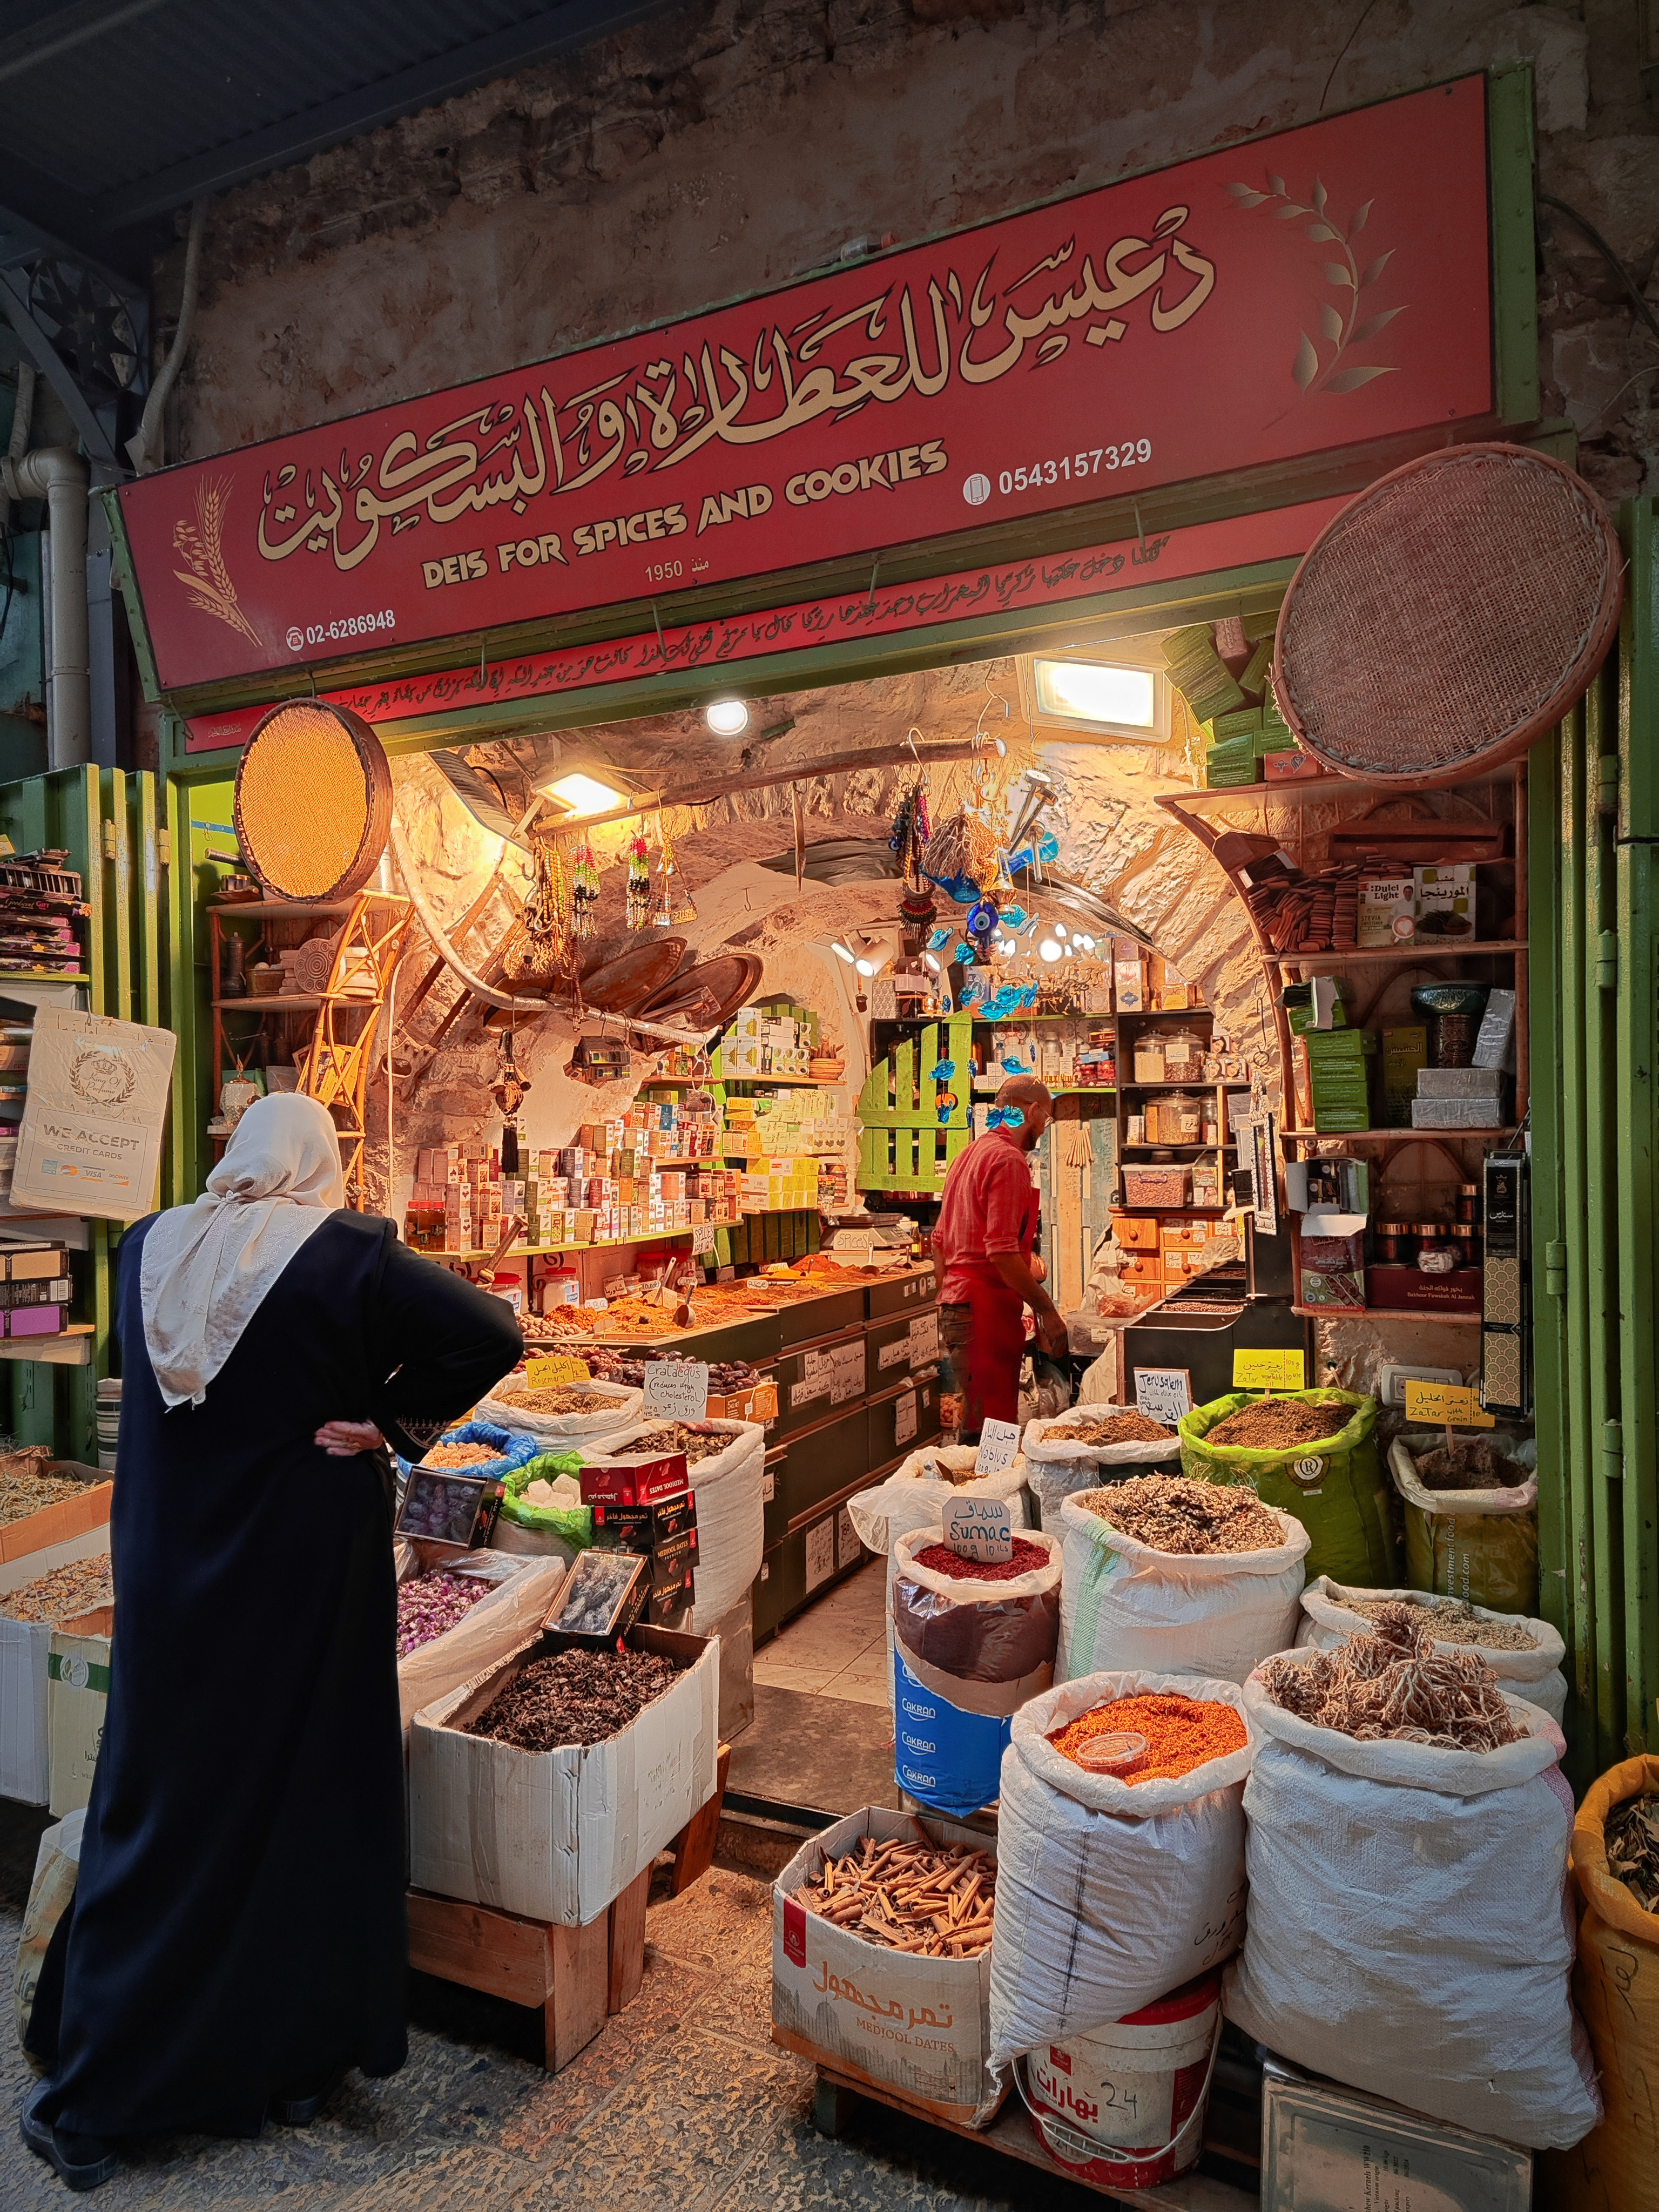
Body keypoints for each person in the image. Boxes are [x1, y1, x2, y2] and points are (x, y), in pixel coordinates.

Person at [23, 1093, 522, 2190]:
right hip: (299, 1561)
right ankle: (291, 2055)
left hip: (165, 1558)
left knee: (159, 1795)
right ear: (322, 1162)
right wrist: (390, 1423)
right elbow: (493, 1333)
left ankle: (106, 2059)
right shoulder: (349, 1252)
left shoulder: (152, 1239)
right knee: (302, 1792)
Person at [932, 1074, 1066, 1439]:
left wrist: (951, 1301)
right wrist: (1048, 1312)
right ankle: (983, 1496)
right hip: (983, 1309)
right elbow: (1003, 1251)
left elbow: (938, 1242)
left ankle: (980, 1492)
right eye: (1047, 1119)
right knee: (992, 1431)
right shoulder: (1008, 1161)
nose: (1044, 1128)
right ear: (1033, 1111)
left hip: (962, 1307)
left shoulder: (968, 1155)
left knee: (979, 1426)